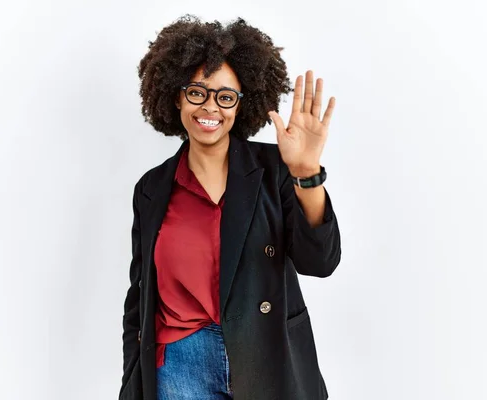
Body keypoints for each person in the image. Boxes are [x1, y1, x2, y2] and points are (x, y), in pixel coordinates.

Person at [119, 15, 342, 400]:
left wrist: (306, 173)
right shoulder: (152, 189)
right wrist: (132, 380)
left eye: (225, 96)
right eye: (197, 92)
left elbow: (320, 262)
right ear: (176, 95)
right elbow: (139, 298)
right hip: (178, 365)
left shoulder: (276, 170)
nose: (211, 107)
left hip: (265, 357)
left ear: (241, 104)